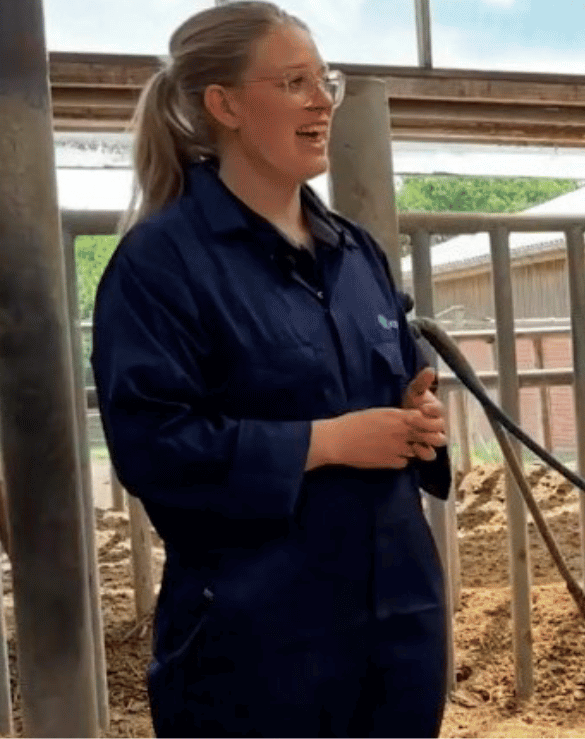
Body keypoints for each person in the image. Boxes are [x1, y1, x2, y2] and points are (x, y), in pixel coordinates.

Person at [88, 3, 455, 736]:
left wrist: (420, 421)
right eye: (293, 82)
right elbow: (155, 447)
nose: (321, 100)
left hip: (396, 625)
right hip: (257, 643)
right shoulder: (160, 264)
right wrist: (327, 442)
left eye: (325, 81)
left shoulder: (357, 254)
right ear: (223, 105)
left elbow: (401, 400)